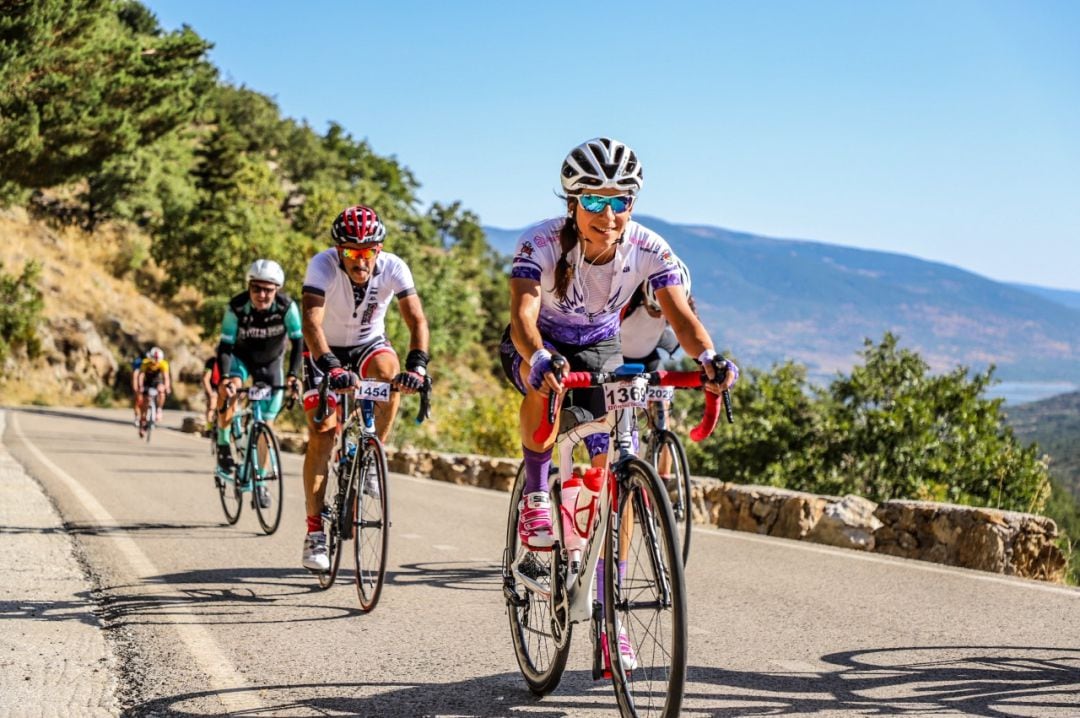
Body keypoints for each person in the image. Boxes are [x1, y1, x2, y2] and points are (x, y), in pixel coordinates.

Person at [501, 136, 738, 669]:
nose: (609, 215)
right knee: (547, 387)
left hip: (602, 345)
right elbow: (521, 315)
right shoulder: (539, 242)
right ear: (572, 203)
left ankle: (610, 617)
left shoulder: (651, 248)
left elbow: (682, 317)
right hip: (540, 340)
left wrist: (709, 360)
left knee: (617, 473)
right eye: (595, 201)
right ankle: (538, 491)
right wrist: (538, 357)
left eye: (620, 201)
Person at [299, 204, 430, 572]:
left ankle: (370, 454)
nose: (360, 261)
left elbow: (416, 318)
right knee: (322, 433)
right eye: (351, 253)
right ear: (339, 251)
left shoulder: (393, 267)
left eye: (368, 252)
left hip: (369, 344)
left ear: (379, 249)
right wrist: (330, 367)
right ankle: (314, 533)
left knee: (390, 377)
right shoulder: (322, 265)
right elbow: (311, 324)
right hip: (324, 348)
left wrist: (417, 366)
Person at [213, 259, 303, 509]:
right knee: (228, 389)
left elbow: (298, 342)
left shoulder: (287, 308)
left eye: (268, 289)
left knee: (266, 425)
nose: (262, 295)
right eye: (256, 289)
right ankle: (223, 443)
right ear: (249, 287)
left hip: (271, 364)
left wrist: (294, 375)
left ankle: (260, 482)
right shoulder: (237, 307)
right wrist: (226, 379)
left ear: (277, 290)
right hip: (240, 360)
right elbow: (225, 346)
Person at [620, 256, 693, 479]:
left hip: (649, 359)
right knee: (621, 418)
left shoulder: (677, 300)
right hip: (618, 360)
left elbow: (692, 331)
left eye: (664, 311)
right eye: (654, 308)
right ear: (644, 296)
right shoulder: (627, 300)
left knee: (663, 415)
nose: (659, 314)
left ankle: (663, 479)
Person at [134, 347, 171, 437]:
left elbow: (166, 377)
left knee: (161, 391)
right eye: (154, 359)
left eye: (157, 360)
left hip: (157, 382)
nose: (155, 362)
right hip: (147, 382)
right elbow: (141, 376)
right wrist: (141, 386)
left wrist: (167, 387)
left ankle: (159, 409)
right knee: (145, 402)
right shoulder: (145, 363)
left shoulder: (163, 364)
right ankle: (143, 424)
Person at [201, 355, 221, 436]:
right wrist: (210, 393)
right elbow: (205, 378)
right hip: (213, 387)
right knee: (212, 406)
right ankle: (209, 428)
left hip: (224, 386)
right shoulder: (211, 362)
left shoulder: (231, 361)